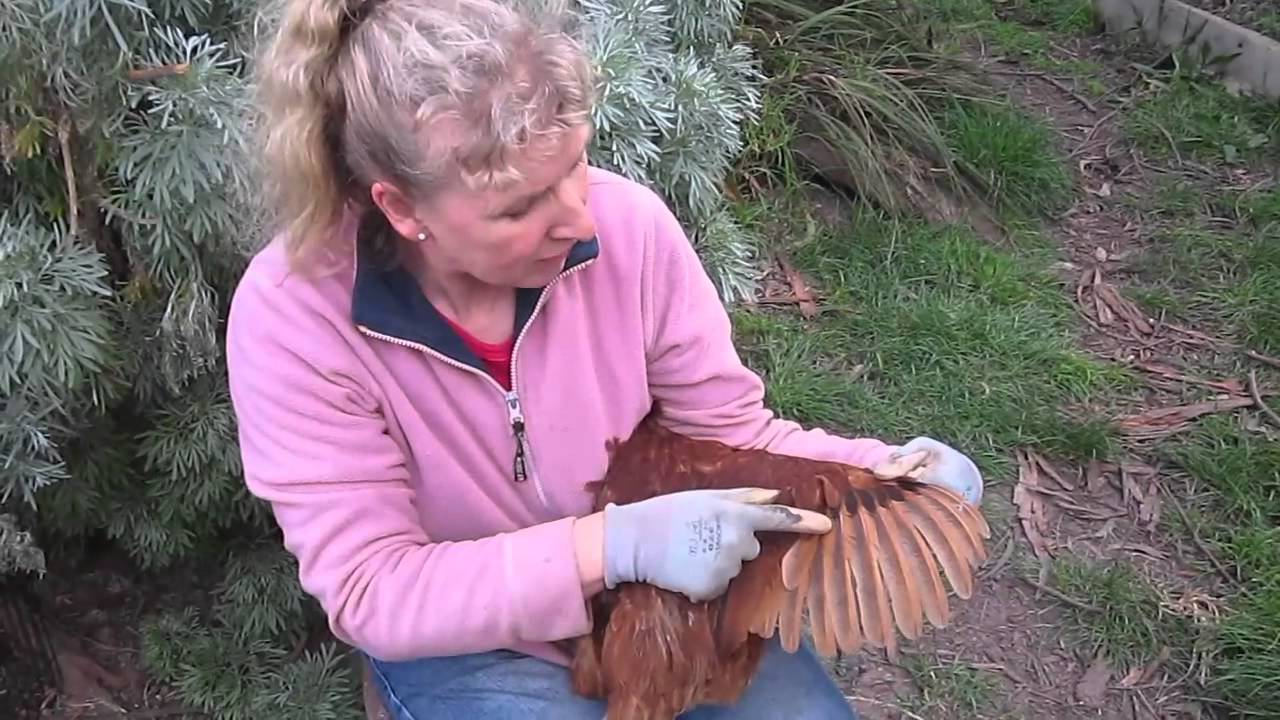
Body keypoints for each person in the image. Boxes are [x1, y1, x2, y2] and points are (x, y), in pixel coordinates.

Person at [225, 0, 985, 717]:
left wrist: (885, 468)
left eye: (575, 167)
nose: (579, 218)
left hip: (663, 601)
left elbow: (726, 434)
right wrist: (611, 545)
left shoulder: (628, 231)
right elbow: (373, 590)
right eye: (520, 207)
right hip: (471, 634)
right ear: (401, 208)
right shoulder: (298, 319)